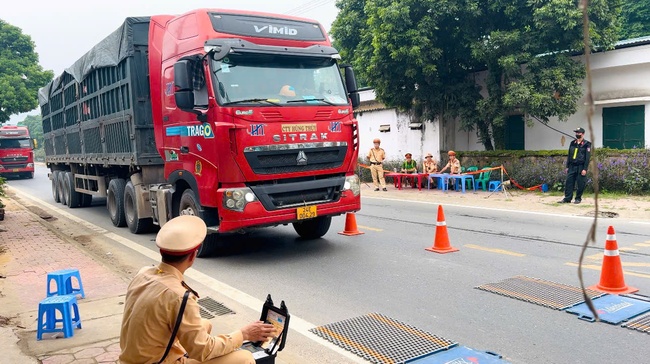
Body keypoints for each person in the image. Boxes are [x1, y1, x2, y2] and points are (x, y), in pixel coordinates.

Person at [119, 215, 276, 364]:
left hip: (132, 359)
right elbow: (202, 351)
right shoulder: (180, 296)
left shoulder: (144, 273)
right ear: (192, 257)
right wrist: (244, 334)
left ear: (161, 251)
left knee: (205, 324)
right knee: (244, 358)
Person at [559, 127, 591, 204]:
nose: (577, 134)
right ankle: (567, 198)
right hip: (572, 166)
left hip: (581, 167)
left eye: (578, 133)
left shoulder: (587, 144)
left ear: (582, 134)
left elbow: (587, 158)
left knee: (580, 183)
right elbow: (569, 155)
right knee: (569, 182)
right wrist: (567, 166)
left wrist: (585, 169)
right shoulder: (572, 143)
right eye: (576, 133)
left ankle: (578, 198)